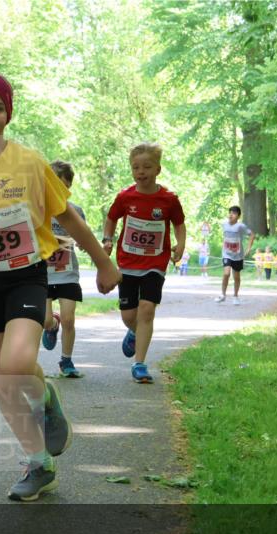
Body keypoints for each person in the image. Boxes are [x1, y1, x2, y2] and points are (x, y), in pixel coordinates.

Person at [0, 71, 119, 501]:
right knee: (2, 382)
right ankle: (39, 464)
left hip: (26, 275)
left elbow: (68, 216)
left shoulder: (30, 162)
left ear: (8, 114)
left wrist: (103, 262)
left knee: (17, 363)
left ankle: (46, 399)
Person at [102, 142, 186, 384]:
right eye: (136, 167)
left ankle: (139, 364)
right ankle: (133, 331)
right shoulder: (125, 197)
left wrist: (180, 244)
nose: (141, 172)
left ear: (158, 169)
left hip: (155, 263)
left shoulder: (169, 199)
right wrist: (107, 240)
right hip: (128, 262)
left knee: (147, 309)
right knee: (129, 315)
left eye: (147, 167)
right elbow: (111, 219)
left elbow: (179, 224)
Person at [41, 160, 87, 379]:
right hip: (43, 274)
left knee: (70, 318)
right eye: (57, 185)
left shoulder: (75, 211)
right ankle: (52, 325)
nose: (61, 191)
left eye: (65, 187)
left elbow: (82, 237)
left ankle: (66, 360)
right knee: (45, 320)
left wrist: (85, 245)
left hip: (67, 272)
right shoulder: (37, 210)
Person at [215, 205, 255, 305]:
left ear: (238, 216)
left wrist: (249, 248)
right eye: (230, 213)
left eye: (234, 213)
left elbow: (252, 235)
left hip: (238, 255)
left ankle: (236, 296)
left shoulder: (241, 226)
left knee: (236, 277)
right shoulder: (224, 224)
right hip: (226, 254)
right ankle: (223, 295)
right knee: (226, 273)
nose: (231, 215)